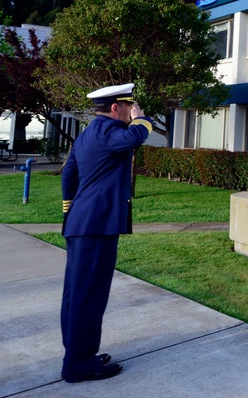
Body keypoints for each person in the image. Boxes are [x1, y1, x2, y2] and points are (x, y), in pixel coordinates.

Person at [59, 83, 154, 383]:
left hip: (80, 223)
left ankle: (78, 354)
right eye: (129, 106)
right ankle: (78, 364)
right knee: (90, 295)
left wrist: (69, 209)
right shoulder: (111, 132)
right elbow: (135, 137)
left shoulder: (87, 134)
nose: (132, 111)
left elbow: (69, 174)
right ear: (117, 108)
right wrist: (143, 119)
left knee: (76, 294)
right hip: (97, 226)